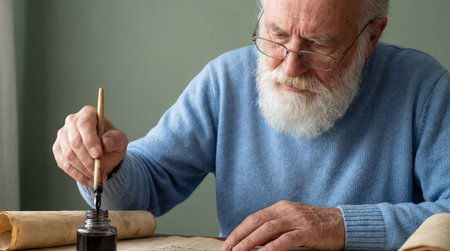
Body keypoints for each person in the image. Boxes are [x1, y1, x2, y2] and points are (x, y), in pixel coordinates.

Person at [52, 0, 450, 250]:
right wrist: (108, 165)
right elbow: (145, 190)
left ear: (372, 36)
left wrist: (339, 226)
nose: (290, 66)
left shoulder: (424, 88)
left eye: (318, 44)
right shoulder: (225, 79)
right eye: (275, 36)